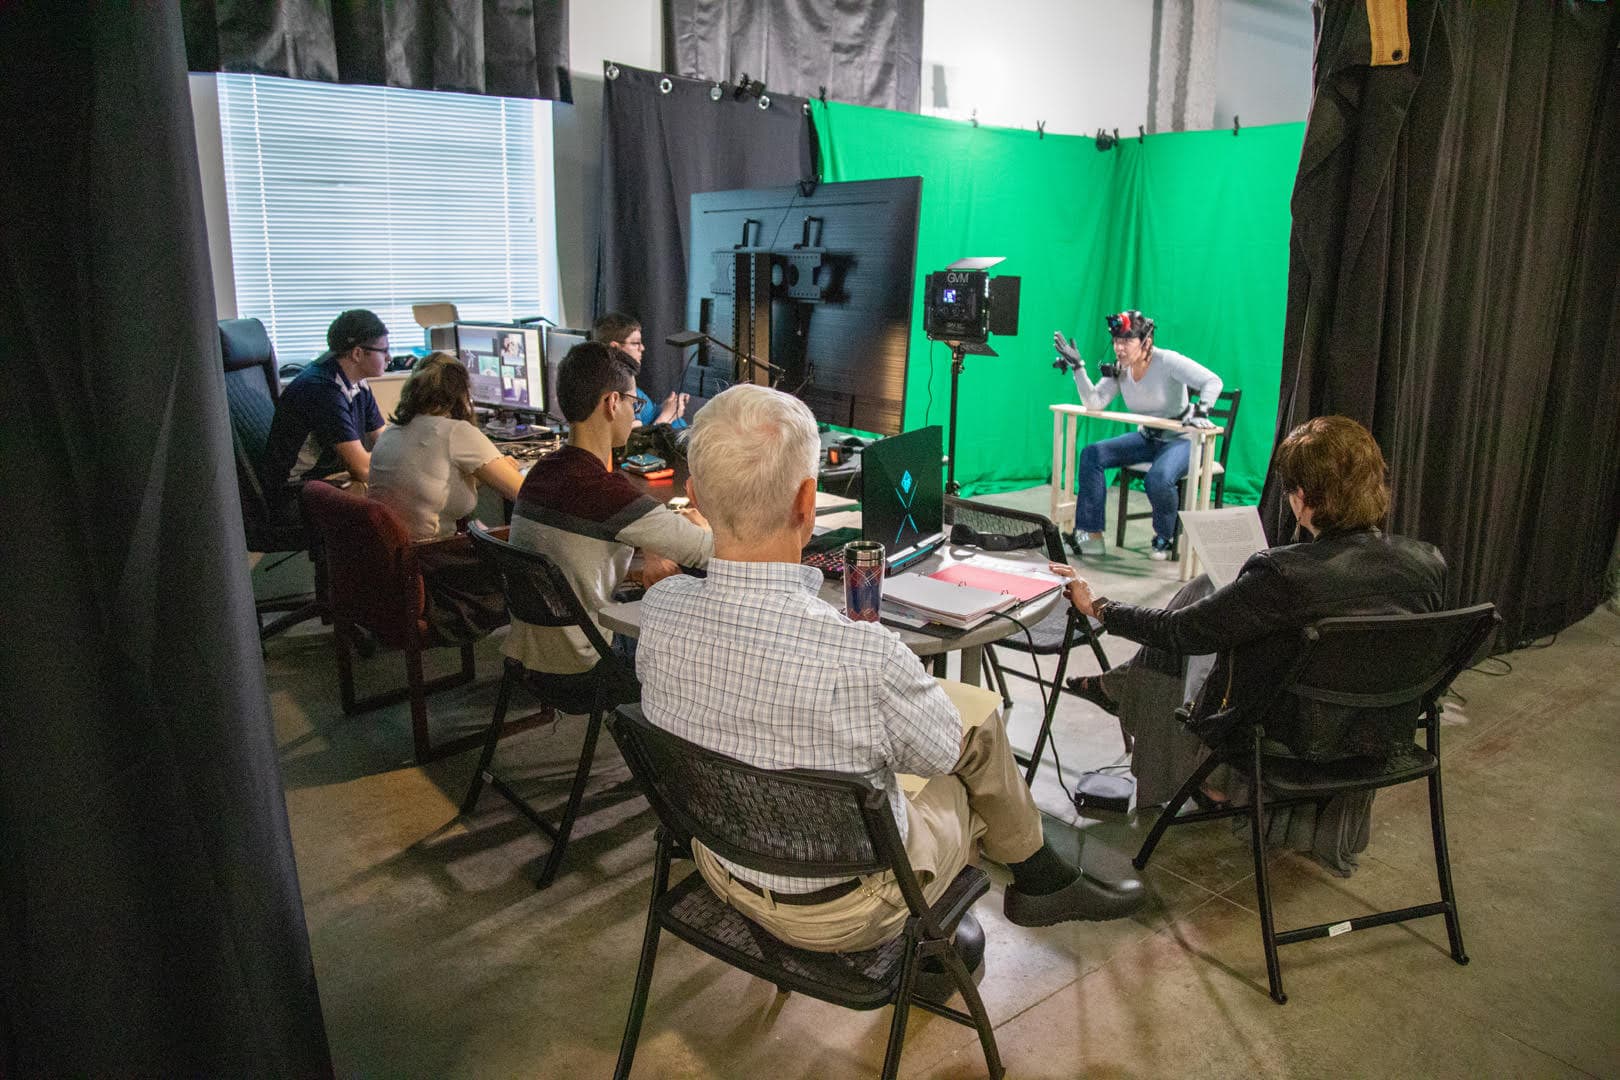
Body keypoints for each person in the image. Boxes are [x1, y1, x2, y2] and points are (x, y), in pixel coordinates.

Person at [636, 383, 1145, 954]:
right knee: (965, 763)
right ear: (808, 503)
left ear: (695, 496)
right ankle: (976, 917)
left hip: (722, 868)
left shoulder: (661, 610)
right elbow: (937, 754)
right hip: (846, 910)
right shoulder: (864, 652)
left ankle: (1028, 883)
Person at [1052, 416, 1446, 873]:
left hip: (1286, 741)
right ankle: (1119, 687)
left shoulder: (1283, 575)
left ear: (1301, 498)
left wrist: (1097, 605)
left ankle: (1133, 703)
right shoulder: (1427, 564)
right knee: (1205, 590)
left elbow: (1181, 632)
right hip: (1377, 734)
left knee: (1192, 626)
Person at [505, 341, 712, 699]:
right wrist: (705, 524)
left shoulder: (543, 472)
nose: (635, 411)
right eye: (635, 403)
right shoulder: (601, 490)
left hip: (532, 657)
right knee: (710, 645)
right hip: (589, 665)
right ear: (612, 402)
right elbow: (707, 552)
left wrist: (653, 546)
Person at [364, 352, 524, 642]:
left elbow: (430, 484)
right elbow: (524, 493)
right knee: (534, 560)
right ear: (462, 396)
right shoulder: (456, 432)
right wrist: (503, 467)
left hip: (389, 568)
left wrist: (483, 472)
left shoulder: (392, 431)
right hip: (436, 569)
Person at [1053, 310, 1221, 560]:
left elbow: (1212, 381)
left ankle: (1166, 535)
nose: (1119, 348)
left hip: (1182, 439)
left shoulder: (1168, 361)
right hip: (1147, 438)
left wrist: (1203, 409)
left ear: (1146, 342)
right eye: (1116, 341)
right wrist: (1079, 368)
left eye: (1126, 342)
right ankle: (1090, 538)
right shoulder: (1122, 368)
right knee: (1092, 454)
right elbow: (1095, 402)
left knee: (1159, 478)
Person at [263, 309, 390, 492]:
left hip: (328, 479)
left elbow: (384, 442)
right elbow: (362, 469)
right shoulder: (323, 390)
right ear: (357, 354)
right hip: (296, 490)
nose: (389, 357)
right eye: (384, 350)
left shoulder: (357, 382)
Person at [592, 311, 688, 429]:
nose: (642, 348)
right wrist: (667, 416)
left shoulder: (628, 381)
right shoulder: (618, 389)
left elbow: (648, 417)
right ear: (614, 347)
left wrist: (668, 407)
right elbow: (635, 441)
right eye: (635, 343)